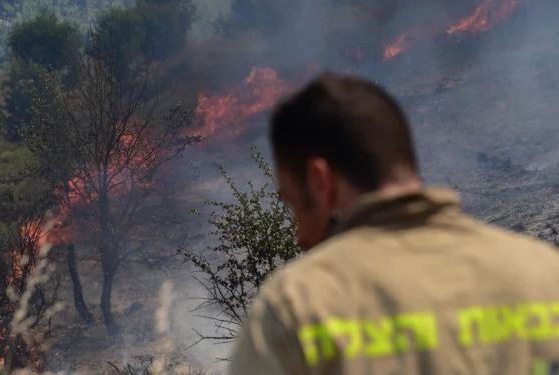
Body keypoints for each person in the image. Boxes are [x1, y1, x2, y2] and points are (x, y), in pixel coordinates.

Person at [227, 72, 559, 375]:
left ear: (319, 181)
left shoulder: (298, 307)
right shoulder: (543, 272)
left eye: (293, 203)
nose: (299, 237)